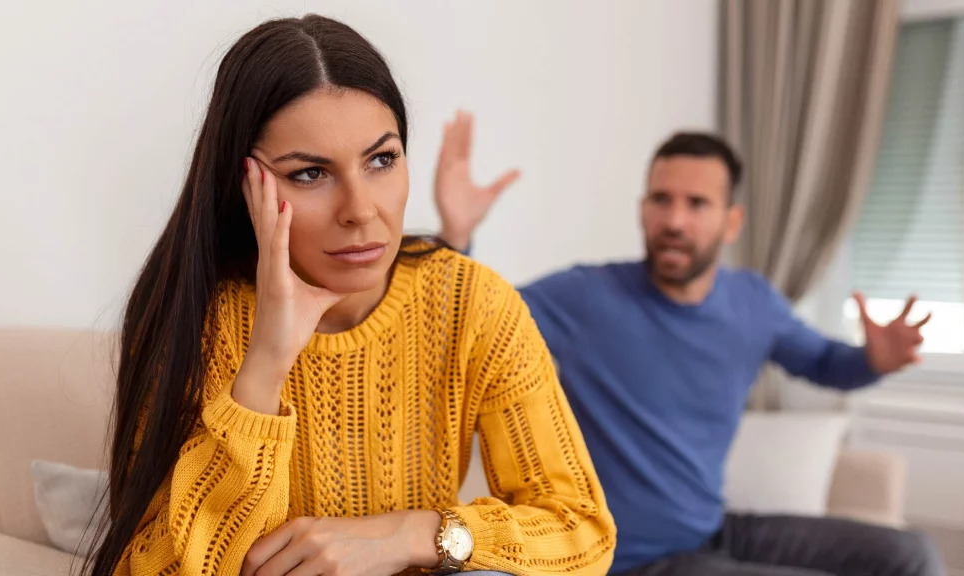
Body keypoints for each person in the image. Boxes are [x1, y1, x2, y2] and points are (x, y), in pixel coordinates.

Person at [85, 16, 616, 576]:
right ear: (246, 187)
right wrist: (264, 365)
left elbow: (581, 530)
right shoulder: (199, 321)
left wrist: (414, 533)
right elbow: (155, 567)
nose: (361, 210)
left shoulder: (472, 303)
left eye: (381, 160)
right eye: (311, 173)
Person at [435, 116, 943, 576]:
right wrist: (456, 237)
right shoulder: (586, 296)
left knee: (910, 555)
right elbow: (473, 321)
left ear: (731, 221)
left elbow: (828, 364)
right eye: (661, 199)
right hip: (631, 560)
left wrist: (874, 359)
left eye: (696, 203)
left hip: (712, 532)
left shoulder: (754, 303)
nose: (674, 220)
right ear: (642, 210)